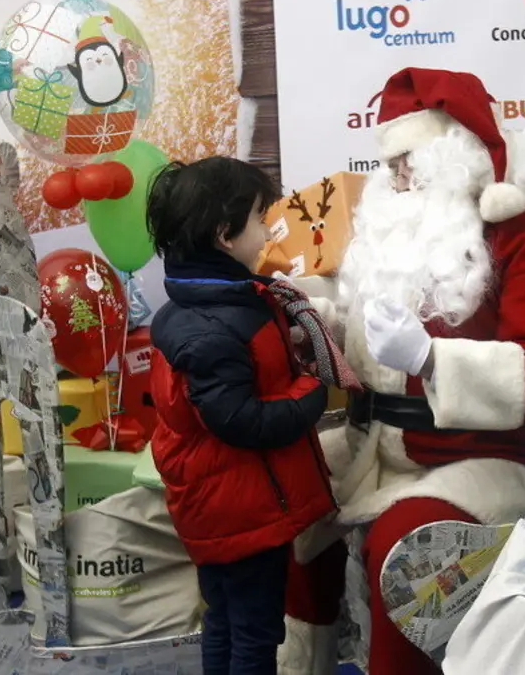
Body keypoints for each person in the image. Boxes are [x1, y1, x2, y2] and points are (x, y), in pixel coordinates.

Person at [278, 68, 525, 674]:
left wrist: (431, 359)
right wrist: (324, 326)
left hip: (506, 457)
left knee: (407, 554)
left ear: (457, 151)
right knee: (280, 501)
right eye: (391, 165)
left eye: (408, 160)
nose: (397, 178)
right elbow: (378, 336)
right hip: (388, 448)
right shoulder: (419, 230)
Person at [146, 157, 350, 675]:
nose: (268, 231)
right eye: (260, 218)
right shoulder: (216, 326)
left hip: (224, 504)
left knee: (226, 619)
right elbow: (242, 421)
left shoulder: (209, 304)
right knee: (255, 632)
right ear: (224, 235)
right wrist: (312, 393)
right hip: (240, 511)